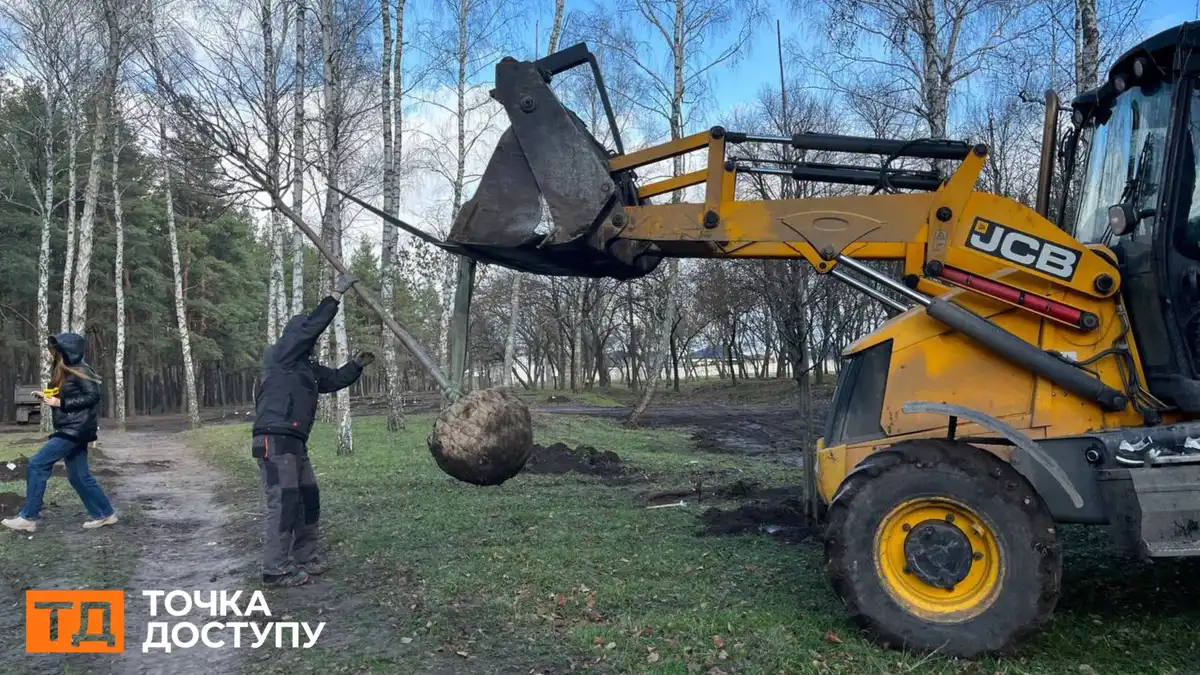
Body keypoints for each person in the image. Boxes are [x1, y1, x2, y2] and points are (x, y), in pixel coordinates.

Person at [252, 272, 375, 587]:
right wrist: (334, 296)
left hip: (295, 442)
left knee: (308, 497)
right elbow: (308, 331)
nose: (311, 341)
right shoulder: (280, 355)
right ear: (295, 336)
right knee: (284, 501)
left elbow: (333, 380)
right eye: (306, 335)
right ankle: (274, 570)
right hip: (274, 439)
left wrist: (356, 366)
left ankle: (304, 557)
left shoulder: (305, 367)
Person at [2, 333, 117, 533]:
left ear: (67, 351)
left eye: (55, 350)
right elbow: (67, 394)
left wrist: (61, 403)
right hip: (72, 428)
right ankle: (105, 514)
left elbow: (93, 396)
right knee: (78, 475)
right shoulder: (67, 370)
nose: (51, 353)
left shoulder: (82, 370)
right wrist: (47, 395)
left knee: (37, 464)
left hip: (74, 429)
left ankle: (28, 517)